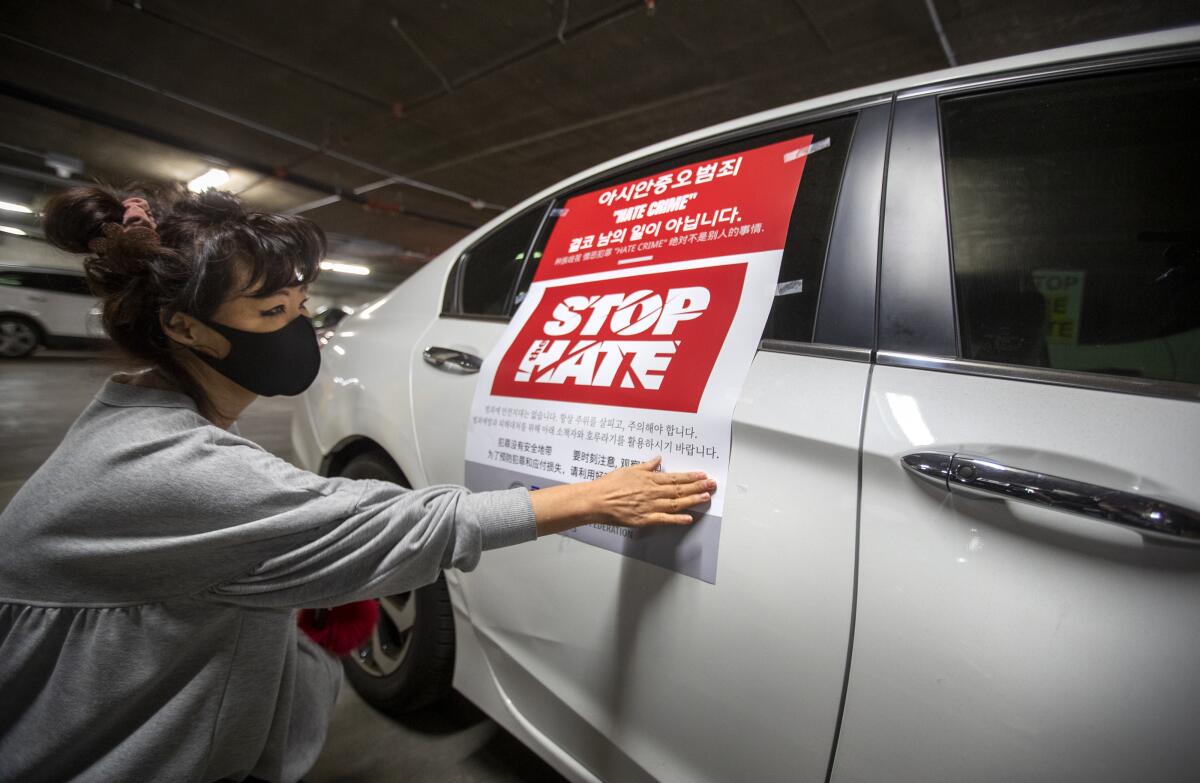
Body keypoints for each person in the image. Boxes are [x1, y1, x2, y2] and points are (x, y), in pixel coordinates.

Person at [0, 186, 715, 783]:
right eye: (271, 314)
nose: (299, 328)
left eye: (300, 305)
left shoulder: (132, 417)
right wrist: (593, 497)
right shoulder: (178, 469)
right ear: (185, 327)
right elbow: (409, 523)